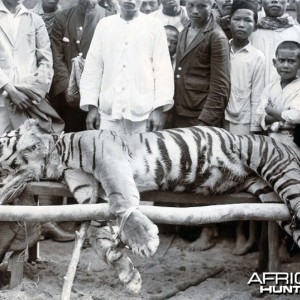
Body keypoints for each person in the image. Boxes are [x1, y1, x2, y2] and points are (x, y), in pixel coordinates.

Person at [0, 0, 73, 242]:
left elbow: (45, 60)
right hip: (3, 101)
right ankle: (8, 230)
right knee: (4, 164)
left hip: (29, 103)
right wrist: (9, 89)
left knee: (31, 162)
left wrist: (34, 93)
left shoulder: (34, 19)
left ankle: (38, 227)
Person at [172, 0, 230, 250]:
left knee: (206, 173)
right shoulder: (186, 28)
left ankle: (209, 230)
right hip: (181, 110)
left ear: (213, 5)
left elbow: (220, 85)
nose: (195, 10)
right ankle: (188, 226)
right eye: (191, 5)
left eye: (202, 5)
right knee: (185, 170)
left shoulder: (216, 37)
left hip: (201, 116)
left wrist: (206, 122)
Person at [80, 0, 174, 134]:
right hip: (108, 115)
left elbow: (162, 70)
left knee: (142, 154)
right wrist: (92, 106)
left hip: (144, 115)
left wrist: (158, 109)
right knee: (108, 154)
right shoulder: (105, 26)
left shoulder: (154, 26)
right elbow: (93, 68)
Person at [225, 0, 265, 256]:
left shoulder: (257, 57)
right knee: (214, 170)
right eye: (238, 19)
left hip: (242, 124)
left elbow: (257, 96)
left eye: (248, 20)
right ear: (229, 22)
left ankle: (241, 231)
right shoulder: (220, 47)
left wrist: (251, 132)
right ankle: (211, 228)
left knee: (240, 175)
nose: (242, 24)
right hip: (219, 120)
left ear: (254, 26)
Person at [50, 0, 113, 133]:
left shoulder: (110, 18)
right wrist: (69, 88)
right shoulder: (62, 18)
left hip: (100, 98)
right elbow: (57, 57)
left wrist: (95, 97)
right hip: (69, 100)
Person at [257, 40, 300, 147]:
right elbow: (259, 115)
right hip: (271, 140)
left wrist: (270, 110)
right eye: (281, 60)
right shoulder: (269, 88)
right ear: (274, 62)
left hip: (293, 141)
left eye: (291, 61)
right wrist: (286, 113)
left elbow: (296, 116)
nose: (285, 65)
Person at [250, 0, 300, 86]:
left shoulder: (297, 32)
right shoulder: (252, 34)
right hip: (258, 94)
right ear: (260, 2)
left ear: (287, 1)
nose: (275, 1)